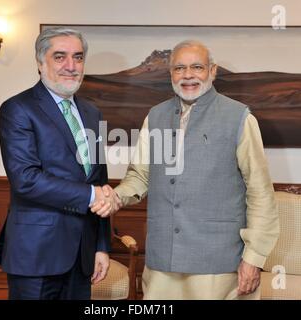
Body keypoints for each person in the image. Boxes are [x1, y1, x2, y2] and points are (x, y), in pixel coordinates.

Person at [91, 40, 280, 299]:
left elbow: (260, 193)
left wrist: (254, 258)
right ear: (171, 74)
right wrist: (115, 196)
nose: (188, 75)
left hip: (218, 264)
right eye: (179, 68)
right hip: (161, 264)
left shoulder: (240, 118)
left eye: (197, 67)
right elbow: (141, 176)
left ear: (212, 71)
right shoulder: (154, 116)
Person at [0, 27, 114, 300]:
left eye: (78, 57)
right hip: (36, 254)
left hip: (83, 256)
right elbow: (26, 179)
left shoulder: (91, 112)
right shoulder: (18, 109)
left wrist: (101, 247)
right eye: (60, 57)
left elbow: (98, 180)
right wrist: (93, 194)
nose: (71, 66)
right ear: (40, 62)